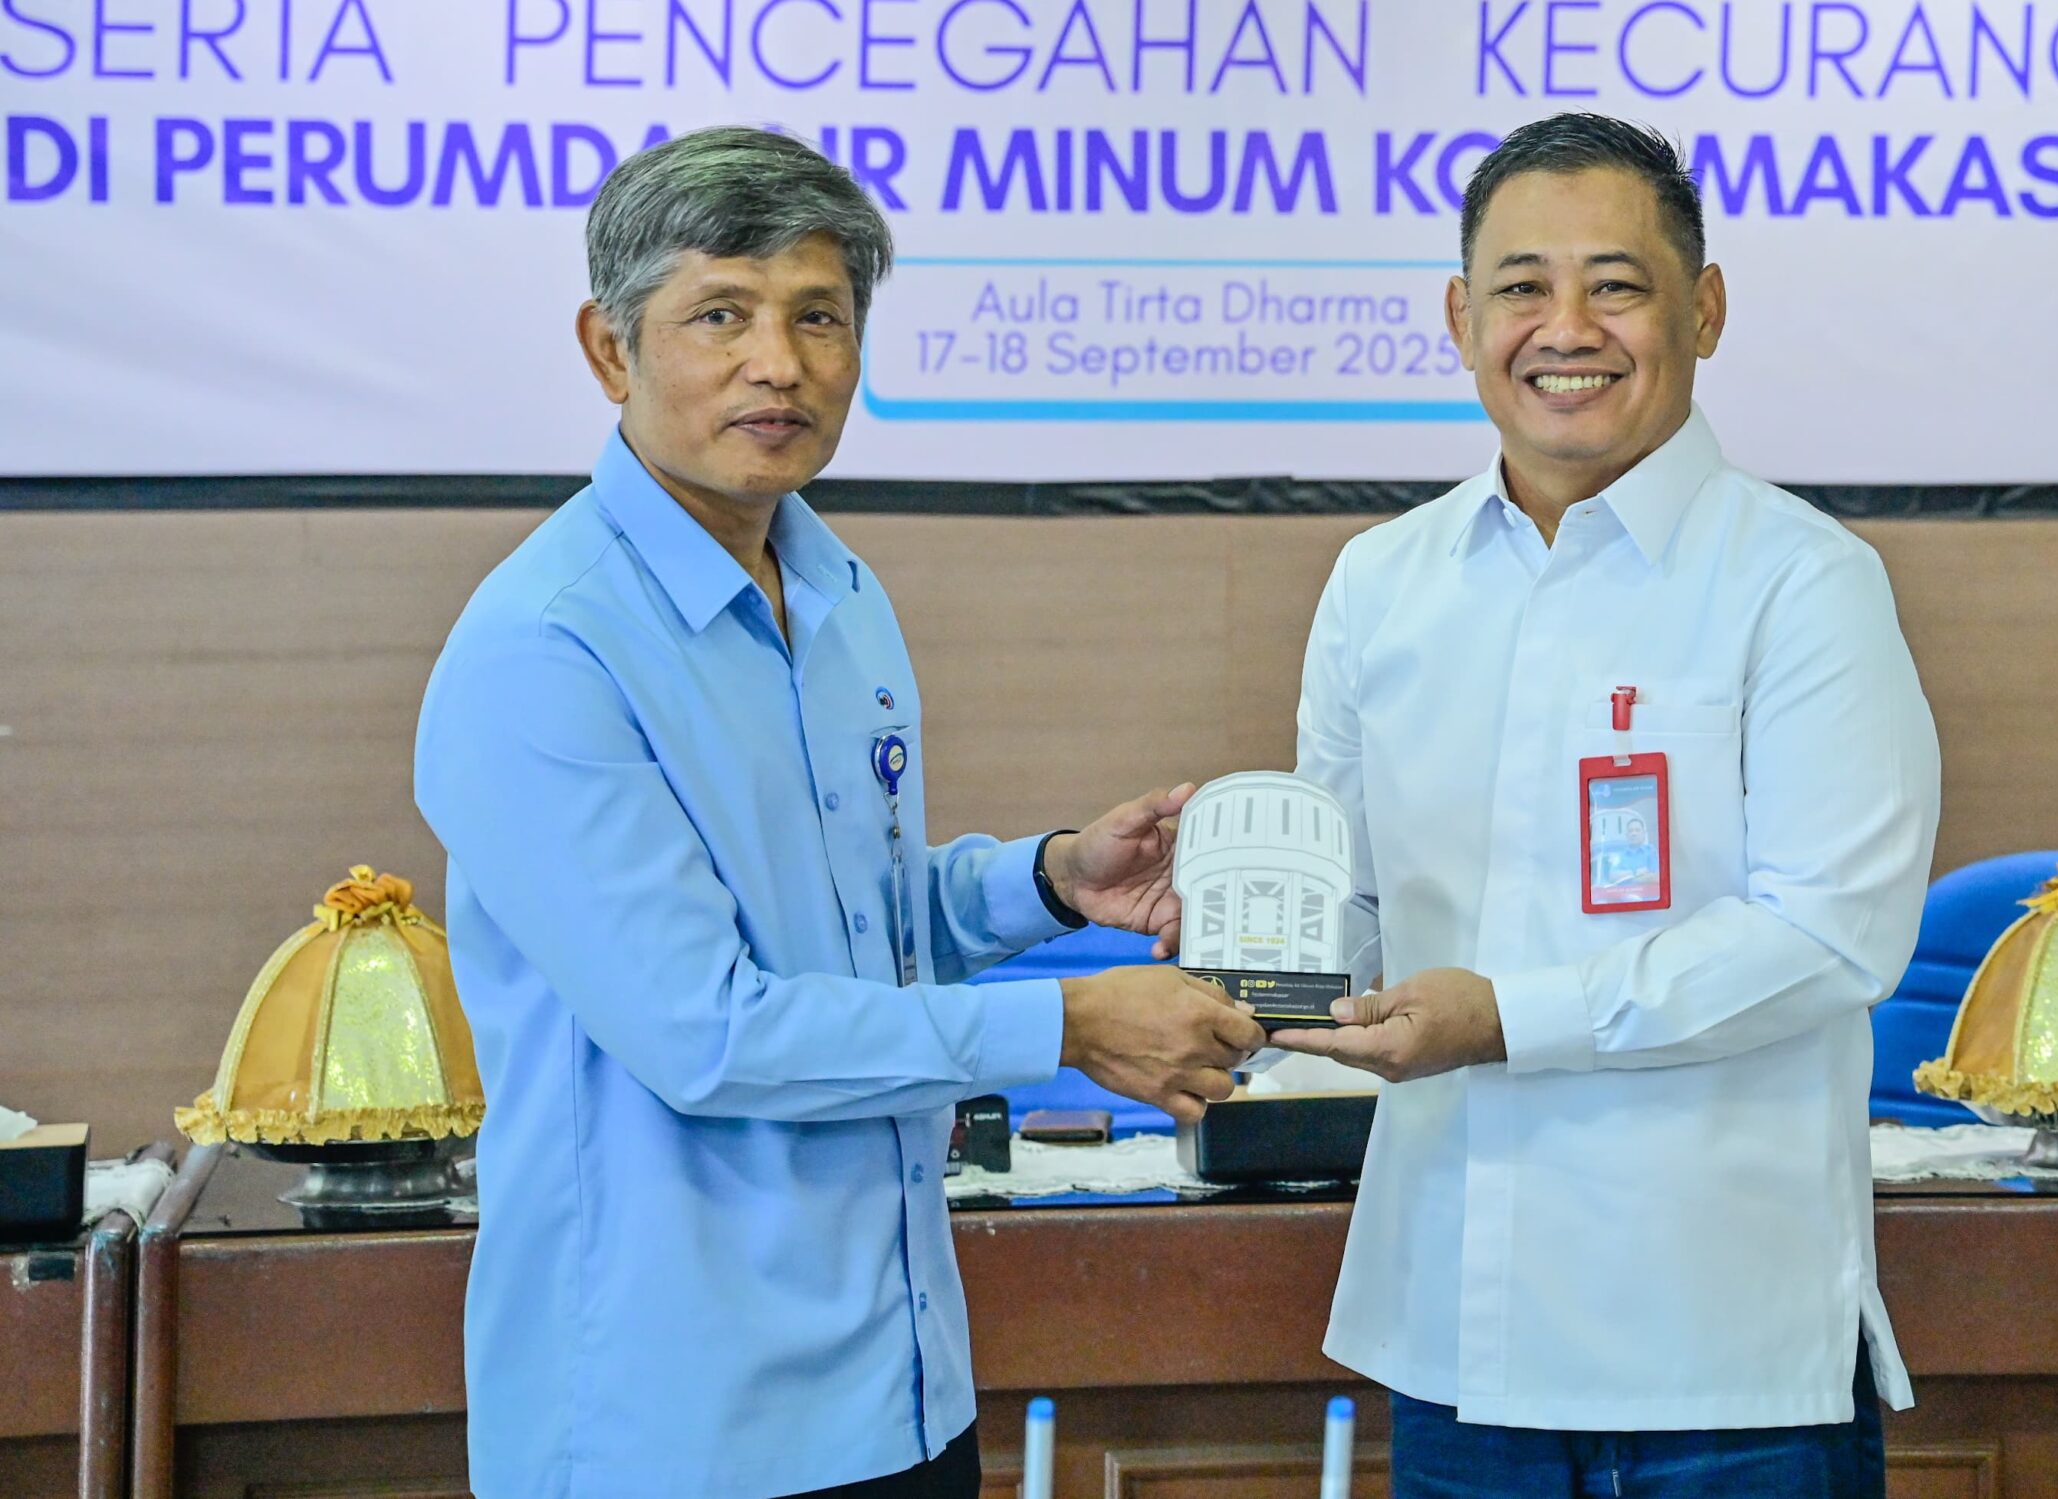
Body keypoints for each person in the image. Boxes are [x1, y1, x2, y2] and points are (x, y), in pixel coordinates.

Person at [413, 125, 1262, 1499]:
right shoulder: (545, 649)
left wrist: (1050, 882)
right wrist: (1062, 1025)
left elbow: (846, 924)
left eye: (819, 317)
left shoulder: (840, 595)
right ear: (610, 349)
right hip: (673, 1423)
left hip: (901, 1383)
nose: (780, 364)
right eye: (721, 315)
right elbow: (709, 1032)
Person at [1265, 113, 1941, 1498]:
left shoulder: (1804, 583)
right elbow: (1351, 910)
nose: (1564, 329)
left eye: (1616, 285)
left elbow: (1830, 935)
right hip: (1453, 1338)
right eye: (1521, 286)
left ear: (1706, 309)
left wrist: (1505, 1018)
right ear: (1461, 318)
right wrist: (1242, 928)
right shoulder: (1380, 584)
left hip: (1721, 1361)